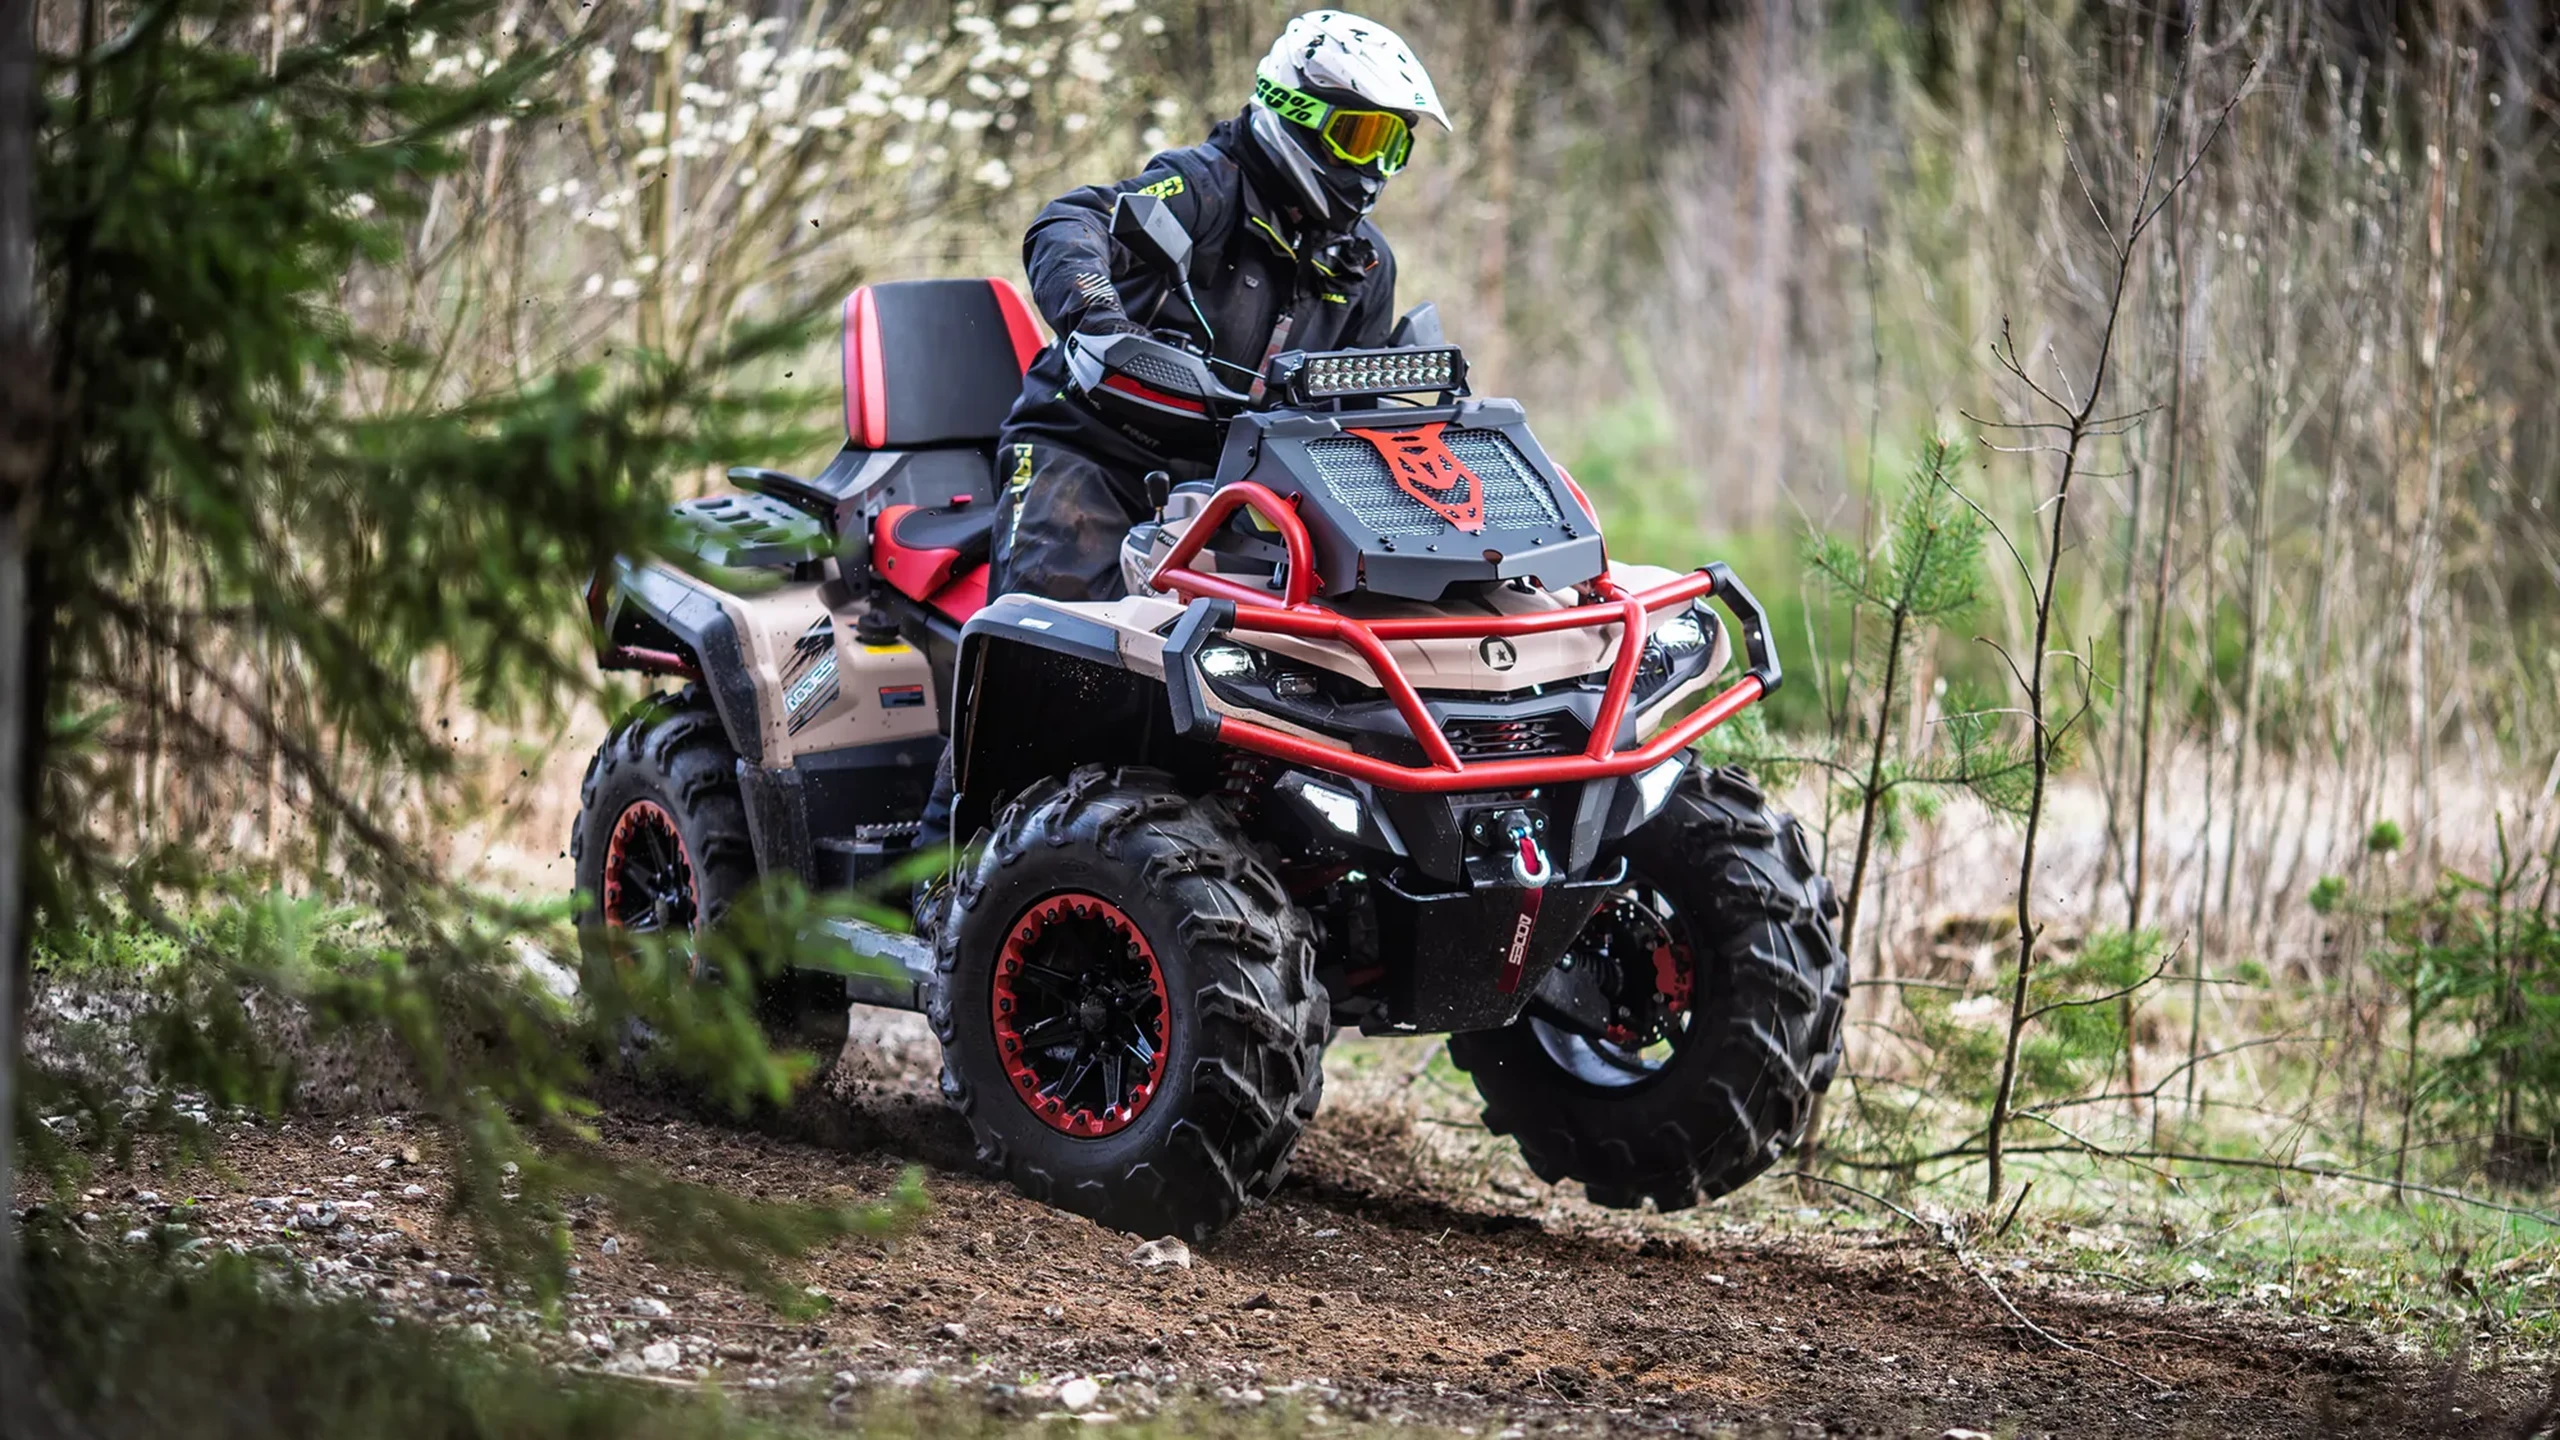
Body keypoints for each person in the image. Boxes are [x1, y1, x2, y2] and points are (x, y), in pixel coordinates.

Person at [911, 9, 1447, 888]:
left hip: (1228, 490)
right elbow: (1070, 220)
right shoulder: (1202, 187)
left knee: (1308, 667)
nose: (1376, 167)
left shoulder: (1363, 265)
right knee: (1044, 657)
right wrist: (1097, 314)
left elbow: (1356, 403)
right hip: (1085, 449)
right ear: (1294, 113)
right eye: (1360, 136)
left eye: (1396, 145)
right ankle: (936, 889)